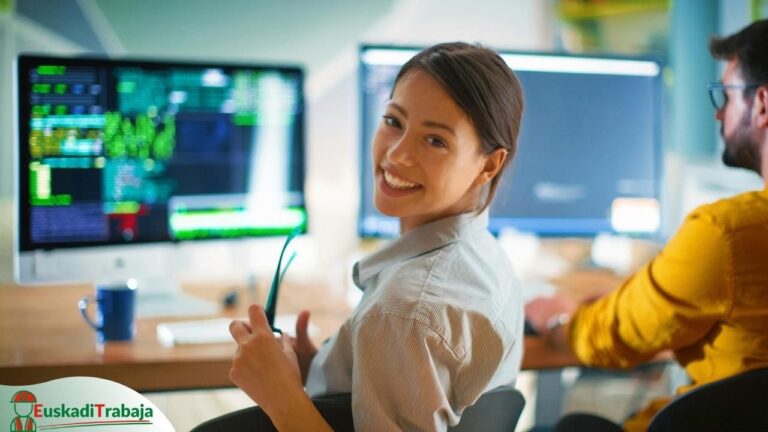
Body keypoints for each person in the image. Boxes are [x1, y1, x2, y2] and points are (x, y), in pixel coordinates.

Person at [228, 42, 525, 431]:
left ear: (488, 164)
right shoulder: (486, 257)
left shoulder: (404, 312)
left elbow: (408, 323)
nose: (397, 155)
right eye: (394, 122)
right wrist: (331, 372)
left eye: (435, 140)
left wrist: (280, 396)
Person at [525, 18, 768, 432]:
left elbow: (613, 337)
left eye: (726, 96)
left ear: (762, 104)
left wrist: (558, 319)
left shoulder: (726, 233)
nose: (719, 114)